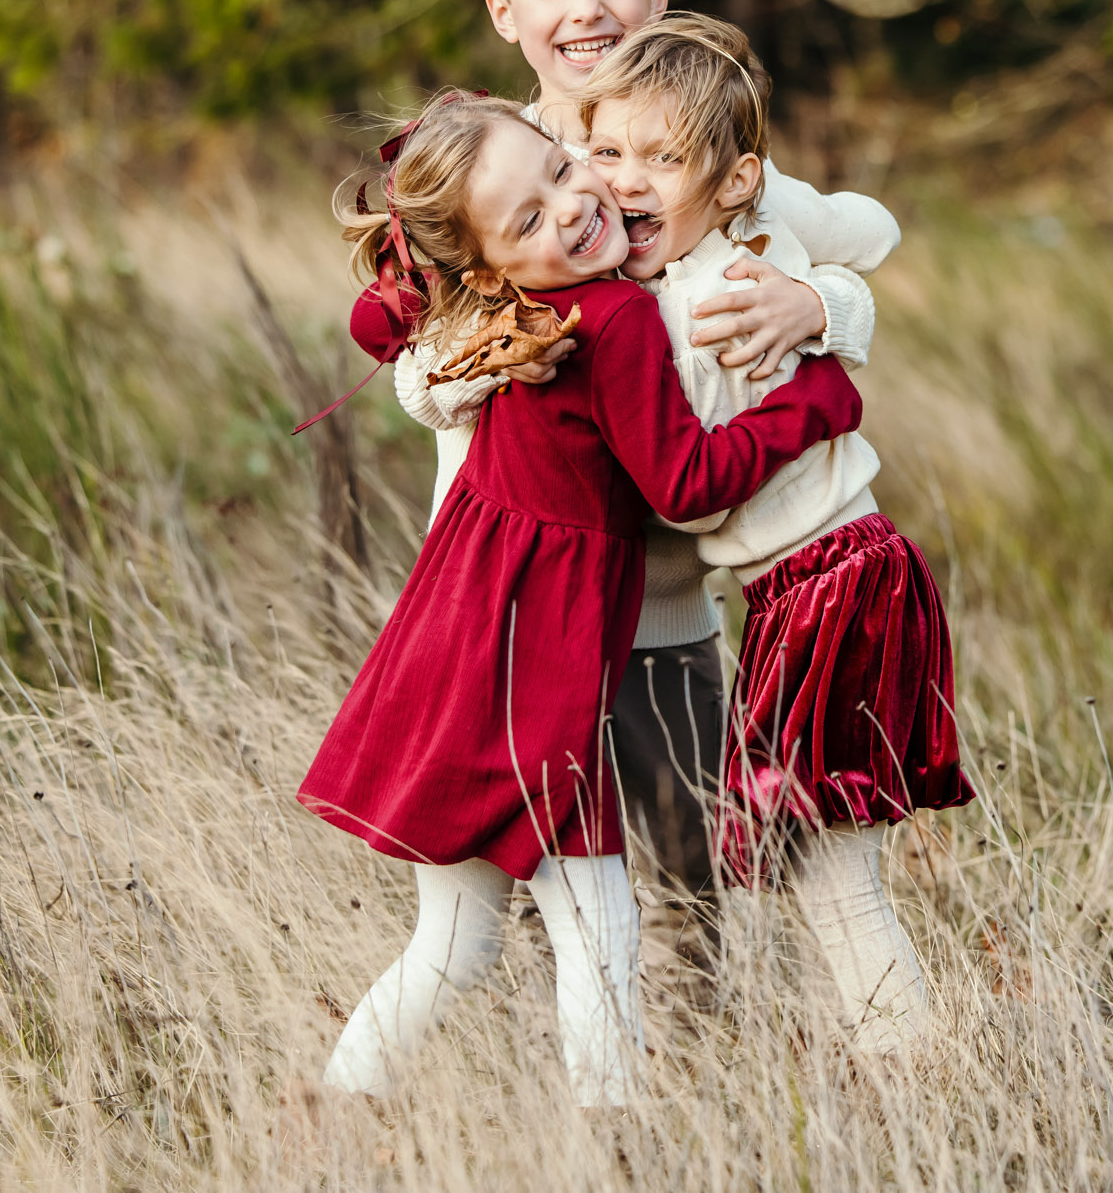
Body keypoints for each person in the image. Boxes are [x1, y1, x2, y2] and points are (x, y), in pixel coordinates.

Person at [353, 0, 898, 903]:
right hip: (511, 598)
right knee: (506, 888)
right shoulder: (485, 168)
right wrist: (470, 357)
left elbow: (845, 243)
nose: (586, 9)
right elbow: (413, 364)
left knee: (687, 887)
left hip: (661, 607)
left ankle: (688, 1059)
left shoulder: (699, 147)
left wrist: (821, 308)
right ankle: (531, 1066)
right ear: (503, 9)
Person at [300, 93, 863, 1105]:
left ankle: (331, 1117)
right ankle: (607, 1140)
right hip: (530, 671)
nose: (568, 207)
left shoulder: (525, 310)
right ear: (488, 266)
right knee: (595, 926)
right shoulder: (610, 318)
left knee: (458, 937)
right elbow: (684, 484)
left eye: (562, 170)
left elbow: (382, 321)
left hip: (459, 649)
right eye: (526, 219)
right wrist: (810, 403)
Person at [578, 12, 974, 1057]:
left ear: (735, 178)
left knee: (834, 883)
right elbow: (847, 236)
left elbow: (698, 501)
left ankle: (921, 1081)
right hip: (847, 571)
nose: (628, 179)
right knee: (827, 873)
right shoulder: (752, 250)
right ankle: (911, 1070)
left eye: (664, 158)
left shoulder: (701, 308)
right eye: (609, 151)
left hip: (826, 586)